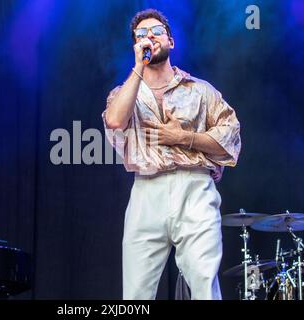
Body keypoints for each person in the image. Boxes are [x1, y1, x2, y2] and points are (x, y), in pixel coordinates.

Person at [103, 8, 241, 299]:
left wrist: (184, 138)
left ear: (171, 41)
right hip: (147, 191)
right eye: (141, 35)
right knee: (136, 293)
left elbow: (230, 136)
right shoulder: (125, 91)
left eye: (156, 32)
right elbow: (114, 121)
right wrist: (138, 68)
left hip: (194, 188)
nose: (149, 37)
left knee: (204, 282)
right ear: (135, 46)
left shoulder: (201, 91)